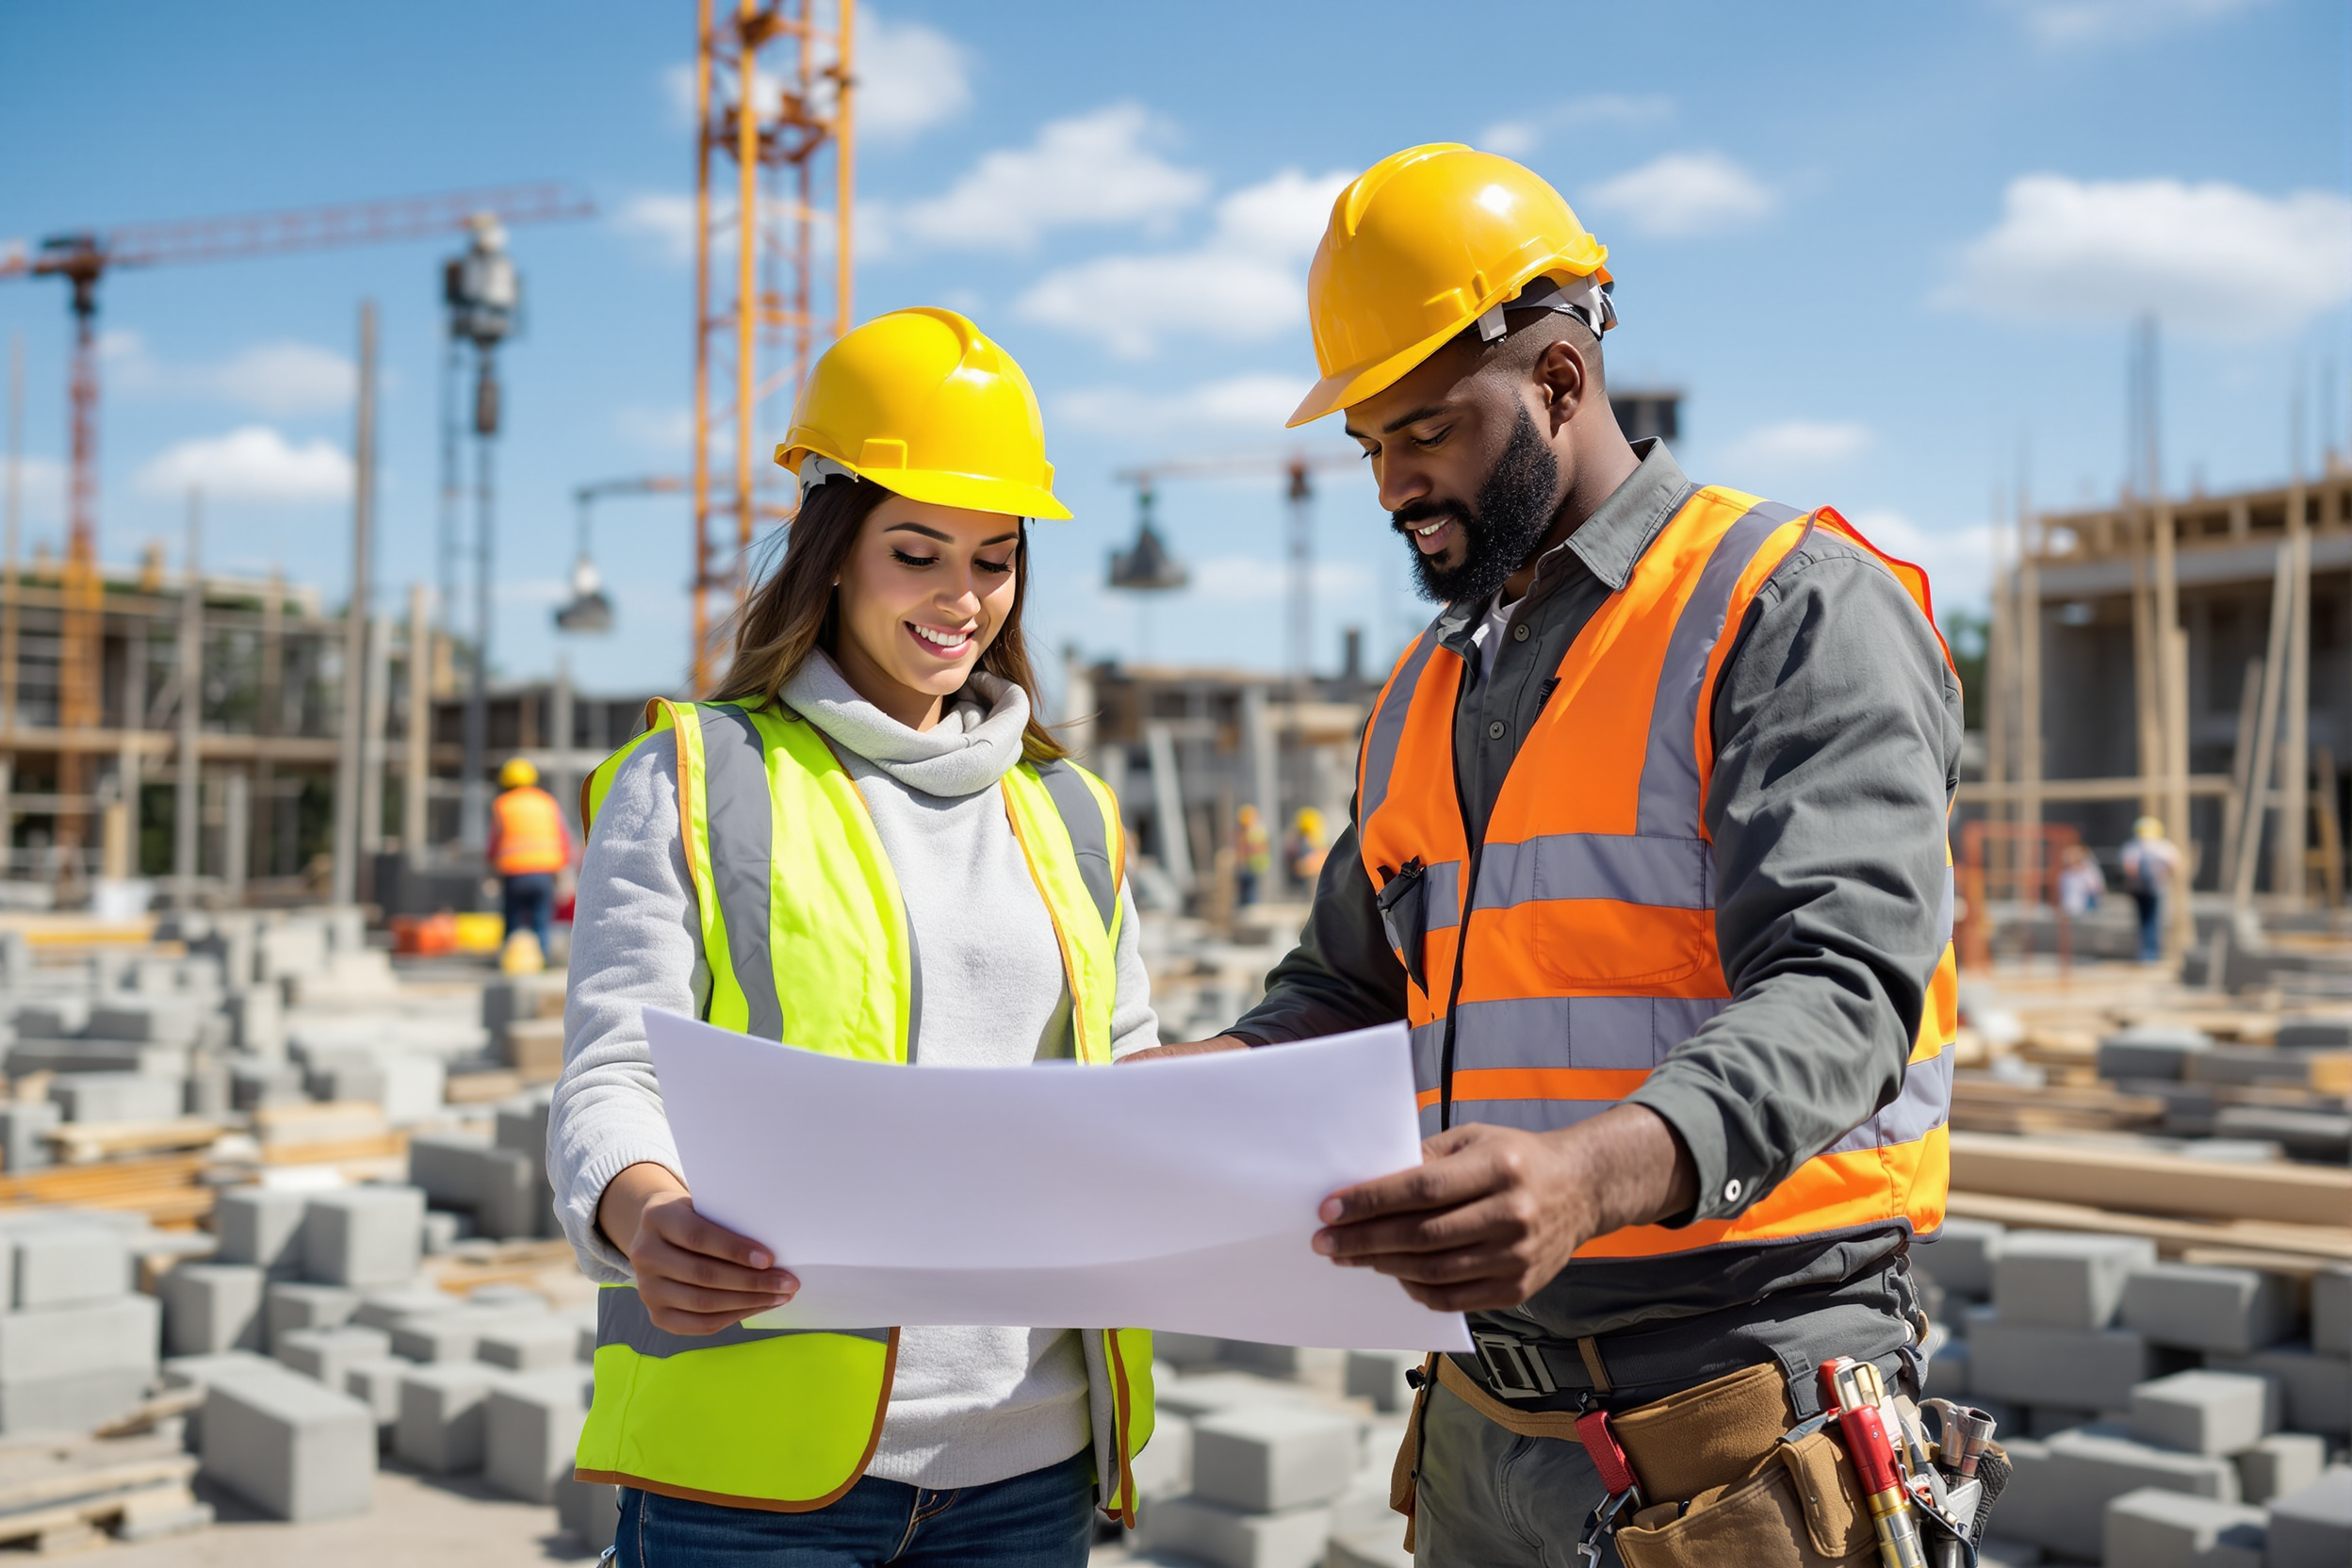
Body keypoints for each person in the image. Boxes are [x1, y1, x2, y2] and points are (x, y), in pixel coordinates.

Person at [1127, 146, 1961, 1565]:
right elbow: (1343, 992)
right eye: (1370, 442)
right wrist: (1177, 1098)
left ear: (1562, 383)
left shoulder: (1788, 608)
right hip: (1483, 1418)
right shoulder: (1422, 695)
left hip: (1738, 1404)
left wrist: (1589, 1176)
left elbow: (1843, 991)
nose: (1395, 481)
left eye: (1430, 429)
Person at [550, 307, 1160, 1566]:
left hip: (1033, 1464)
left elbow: (1129, 1087)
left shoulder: (1070, 811)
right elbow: (615, 1072)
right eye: (918, 551)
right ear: (832, 549)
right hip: (760, 1484)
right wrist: (642, 1211)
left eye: (995, 558)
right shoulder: (696, 778)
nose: (962, 599)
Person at [487, 757, 570, 956]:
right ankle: (542, 959)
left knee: (513, 920)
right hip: (544, 872)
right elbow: (563, 838)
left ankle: (509, 959)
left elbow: (493, 842)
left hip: (514, 873)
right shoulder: (547, 802)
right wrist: (563, 871)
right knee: (541, 920)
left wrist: (490, 867)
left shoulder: (502, 804)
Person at [2121, 816, 2179, 963]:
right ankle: (2151, 953)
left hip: (2143, 889)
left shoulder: (2134, 847)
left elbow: (2129, 869)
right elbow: (2173, 866)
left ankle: (2148, 953)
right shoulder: (2164, 847)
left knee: (2146, 921)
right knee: (2152, 921)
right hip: (2153, 889)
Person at [1233, 803, 1272, 905]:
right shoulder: (1246, 831)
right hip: (1247, 866)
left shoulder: (1257, 831)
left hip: (1254, 866)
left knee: (1252, 893)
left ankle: (1251, 908)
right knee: (1245, 892)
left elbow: (1260, 848)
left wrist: (1247, 849)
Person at [2057, 842, 2105, 917]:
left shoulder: (2089, 872)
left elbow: (2097, 890)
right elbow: (2062, 892)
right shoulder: (2065, 875)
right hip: (2069, 908)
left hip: (2085, 910)